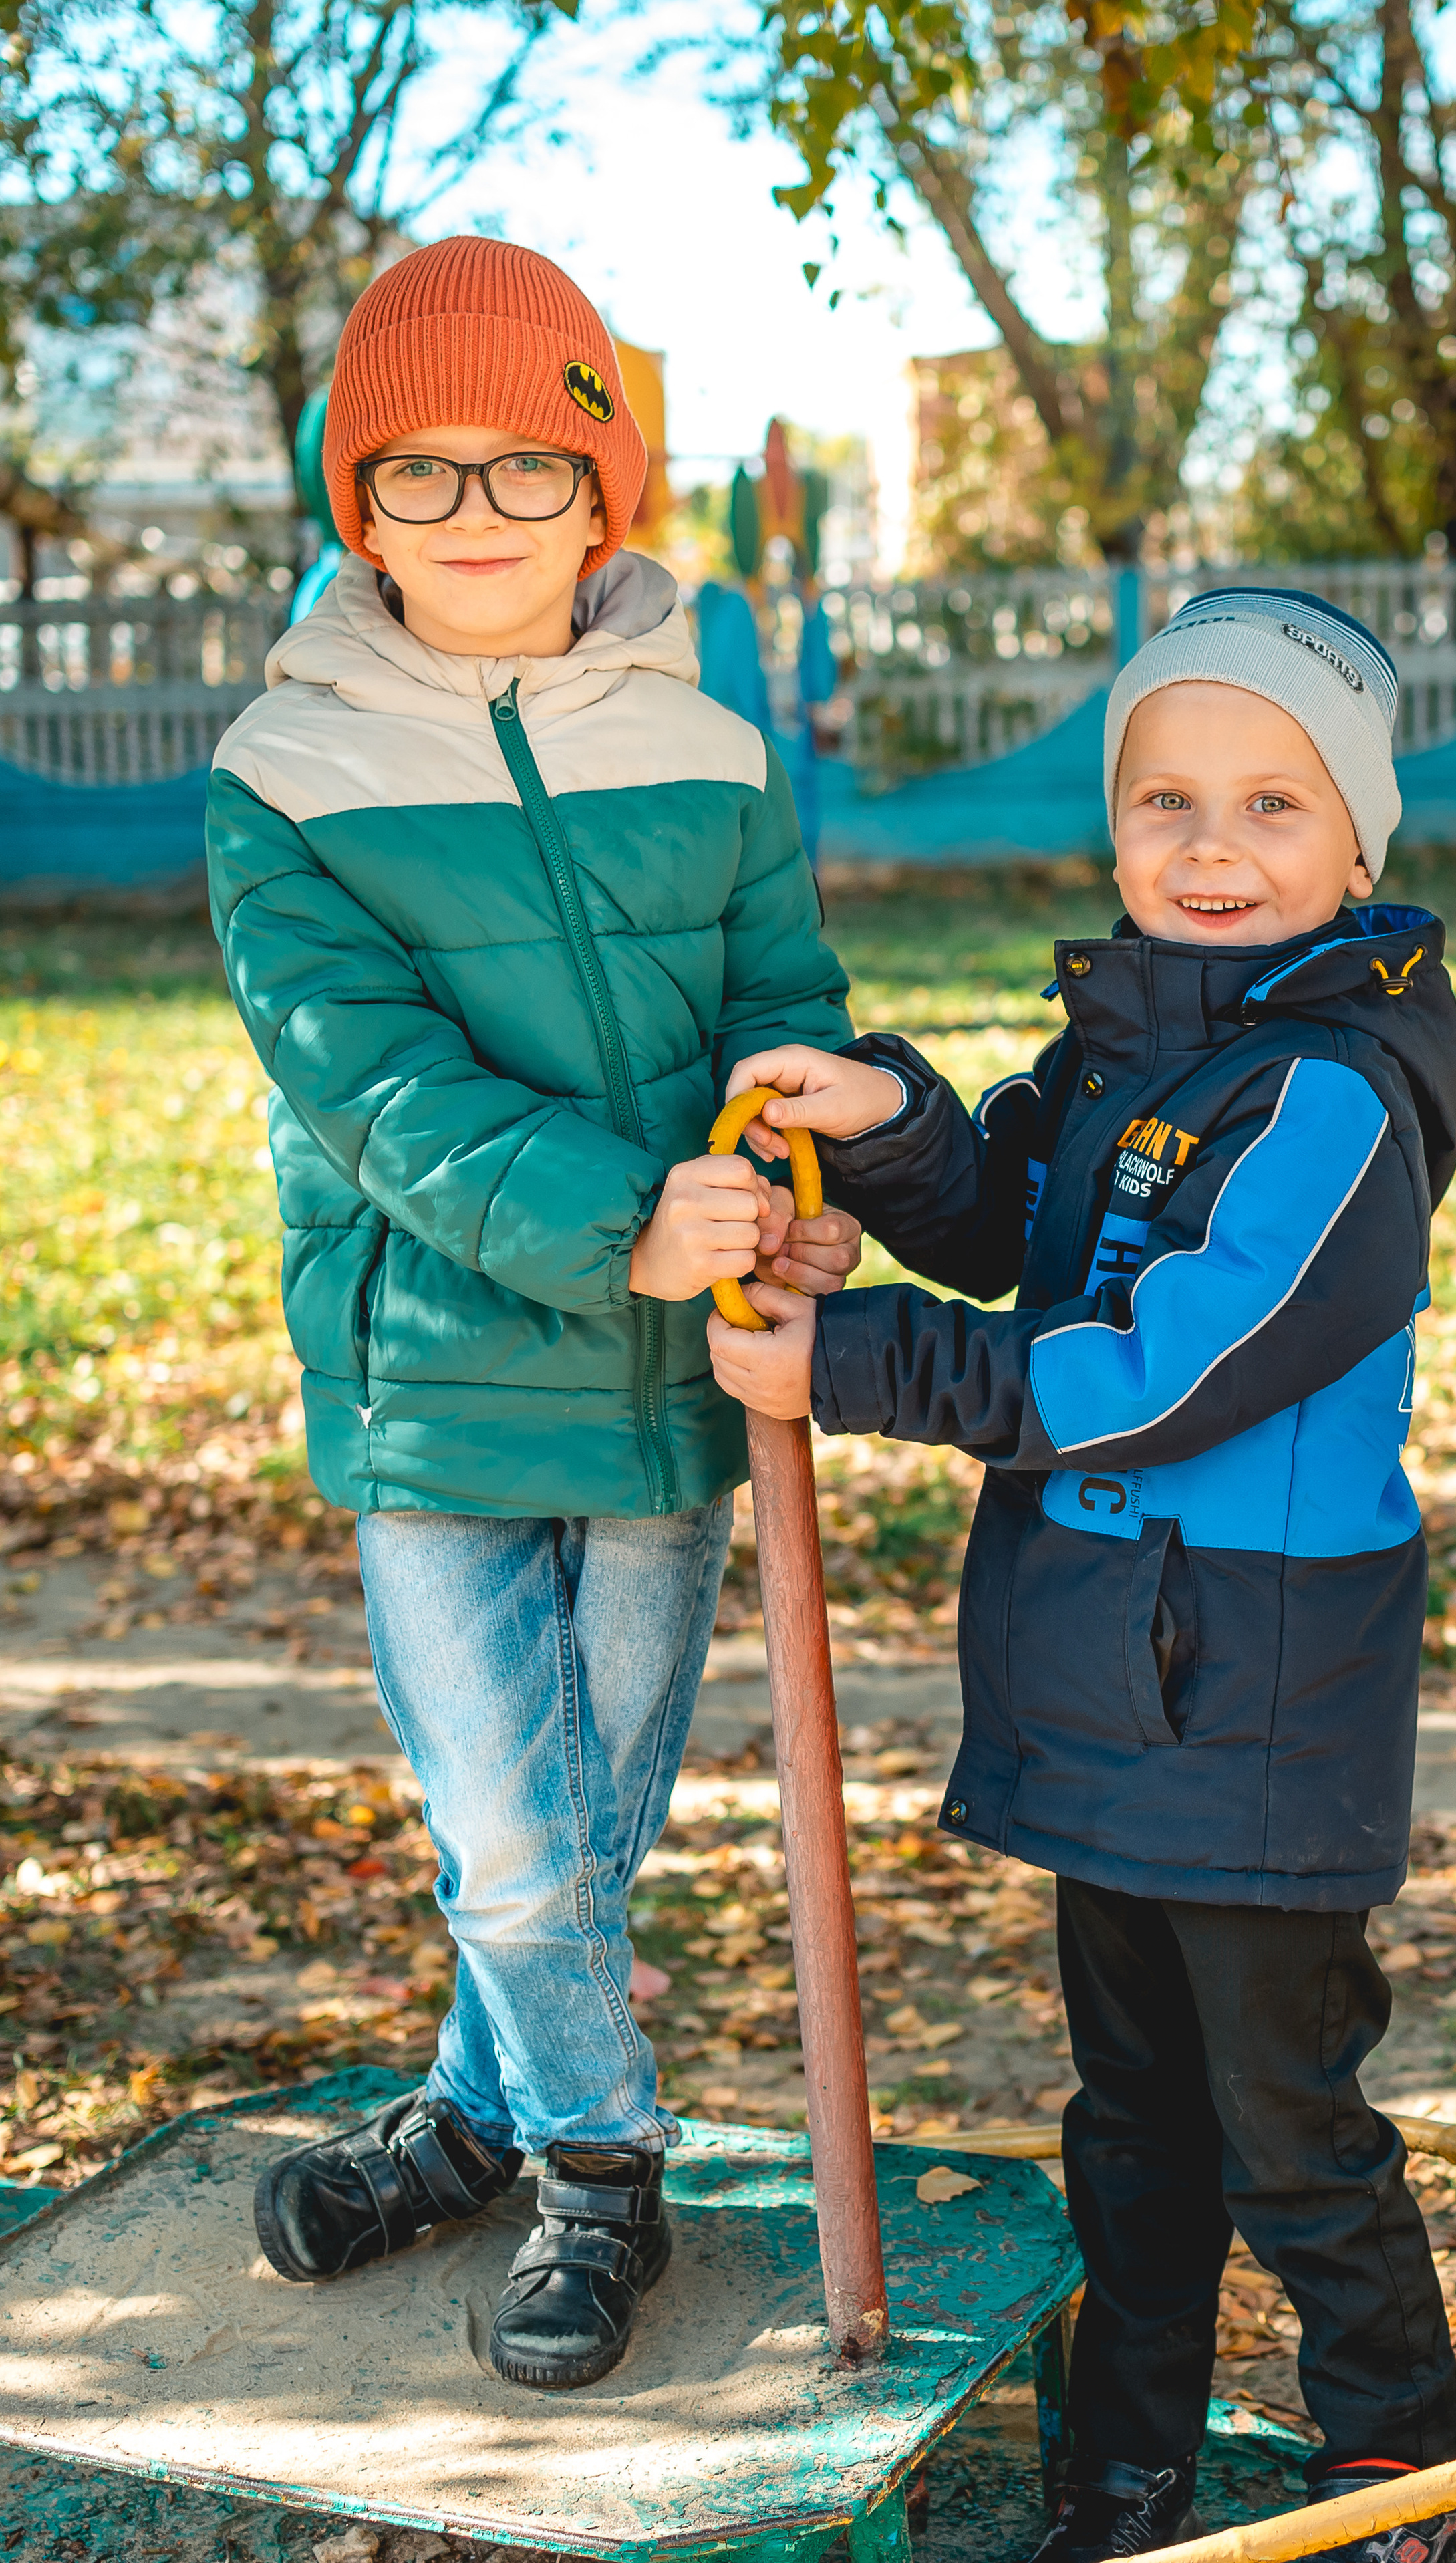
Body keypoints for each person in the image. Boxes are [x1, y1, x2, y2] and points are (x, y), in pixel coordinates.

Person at [707, 589, 1456, 2563]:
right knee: (1130, 2121)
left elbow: (1165, 1370)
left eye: (1274, 804)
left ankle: (1399, 2472)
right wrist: (895, 1125)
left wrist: (856, 1366)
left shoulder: (1336, 1097)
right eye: (1167, 800)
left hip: (1256, 1700)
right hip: (1115, 1680)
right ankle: (1127, 2471)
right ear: (1116, 826)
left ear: (1360, 849)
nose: (1213, 846)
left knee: (1287, 2122)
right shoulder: (1131, 1049)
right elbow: (1018, 1227)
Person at [206, 234, 861, 2392]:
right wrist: (621, 1219)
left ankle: (468, 2118)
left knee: (571, 1835)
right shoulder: (284, 775)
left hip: (670, 1385)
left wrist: (793, 1187)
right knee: (511, 1830)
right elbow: (377, 1086)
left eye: (529, 464)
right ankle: (599, 2165)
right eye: (422, 467)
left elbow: (782, 1007)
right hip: (439, 1382)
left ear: (607, 493)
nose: (477, 510)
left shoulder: (711, 743)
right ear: (359, 502)